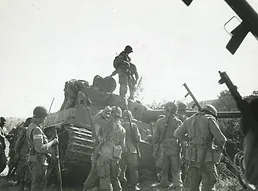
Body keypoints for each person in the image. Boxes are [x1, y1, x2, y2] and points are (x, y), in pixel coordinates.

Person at [174, 104, 227, 191]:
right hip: (207, 158)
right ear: (212, 113)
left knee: (193, 186)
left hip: (192, 158)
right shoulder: (209, 119)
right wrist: (218, 151)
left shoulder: (189, 120)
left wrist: (190, 140)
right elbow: (222, 139)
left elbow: (177, 134)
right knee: (208, 185)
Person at [27, 106, 59, 191]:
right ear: (41, 117)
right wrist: (53, 142)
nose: (44, 119)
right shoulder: (37, 129)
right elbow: (39, 148)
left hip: (35, 160)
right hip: (39, 162)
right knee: (39, 186)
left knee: (36, 185)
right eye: (44, 117)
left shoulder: (31, 126)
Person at [153, 102, 183, 190]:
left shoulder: (159, 121)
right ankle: (177, 184)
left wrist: (156, 144)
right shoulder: (178, 121)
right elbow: (180, 136)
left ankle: (164, 183)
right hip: (175, 147)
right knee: (176, 168)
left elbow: (156, 137)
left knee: (164, 167)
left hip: (164, 147)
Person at [82, 106, 112, 191]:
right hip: (100, 148)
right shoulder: (100, 121)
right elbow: (97, 136)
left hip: (102, 148)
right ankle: (90, 188)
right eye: (107, 113)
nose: (108, 115)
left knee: (99, 170)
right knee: (97, 170)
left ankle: (91, 187)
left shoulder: (100, 120)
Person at [96, 106, 125, 191]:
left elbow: (96, 119)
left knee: (105, 178)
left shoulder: (107, 123)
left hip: (105, 154)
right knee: (115, 178)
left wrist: (104, 111)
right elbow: (122, 144)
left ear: (111, 114)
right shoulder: (123, 129)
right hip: (116, 156)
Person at [119, 110, 141, 191]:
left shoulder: (119, 125)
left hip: (121, 148)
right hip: (132, 149)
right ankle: (133, 185)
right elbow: (138, 138)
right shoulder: (133, 125)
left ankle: (121, 183)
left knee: (121, 167)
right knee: (133, 168)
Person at [14, 117, 32, 191]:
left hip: (30, 155)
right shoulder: (25, 130)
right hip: (24, 154)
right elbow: (18, 143)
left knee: (28, 174)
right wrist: (17, 153)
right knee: (22, 173)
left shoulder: (35, 129)